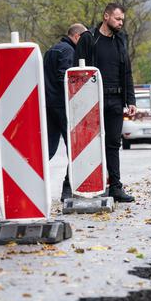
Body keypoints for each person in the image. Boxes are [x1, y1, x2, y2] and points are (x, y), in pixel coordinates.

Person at [73, 3, 137, 203]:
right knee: (87, 144)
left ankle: (115, 188)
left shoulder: (120, 41)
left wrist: (131, 100)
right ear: (106, 16)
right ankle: (75, 186)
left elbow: (126, 71)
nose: (120, 23)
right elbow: (77, 70)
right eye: (117, 19)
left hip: (116, 100)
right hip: (93, 99)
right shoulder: (89, 39)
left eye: (122, 20)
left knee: (113, 144)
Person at [43, 22, 86, 200]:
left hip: (48, 106)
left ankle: (31, 184)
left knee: (48, 149)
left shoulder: (51, 51)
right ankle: (67, 190)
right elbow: (65, 77)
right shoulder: (69, 51)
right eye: (83, 40)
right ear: (76, 36)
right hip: (63, 107)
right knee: (75, 149)